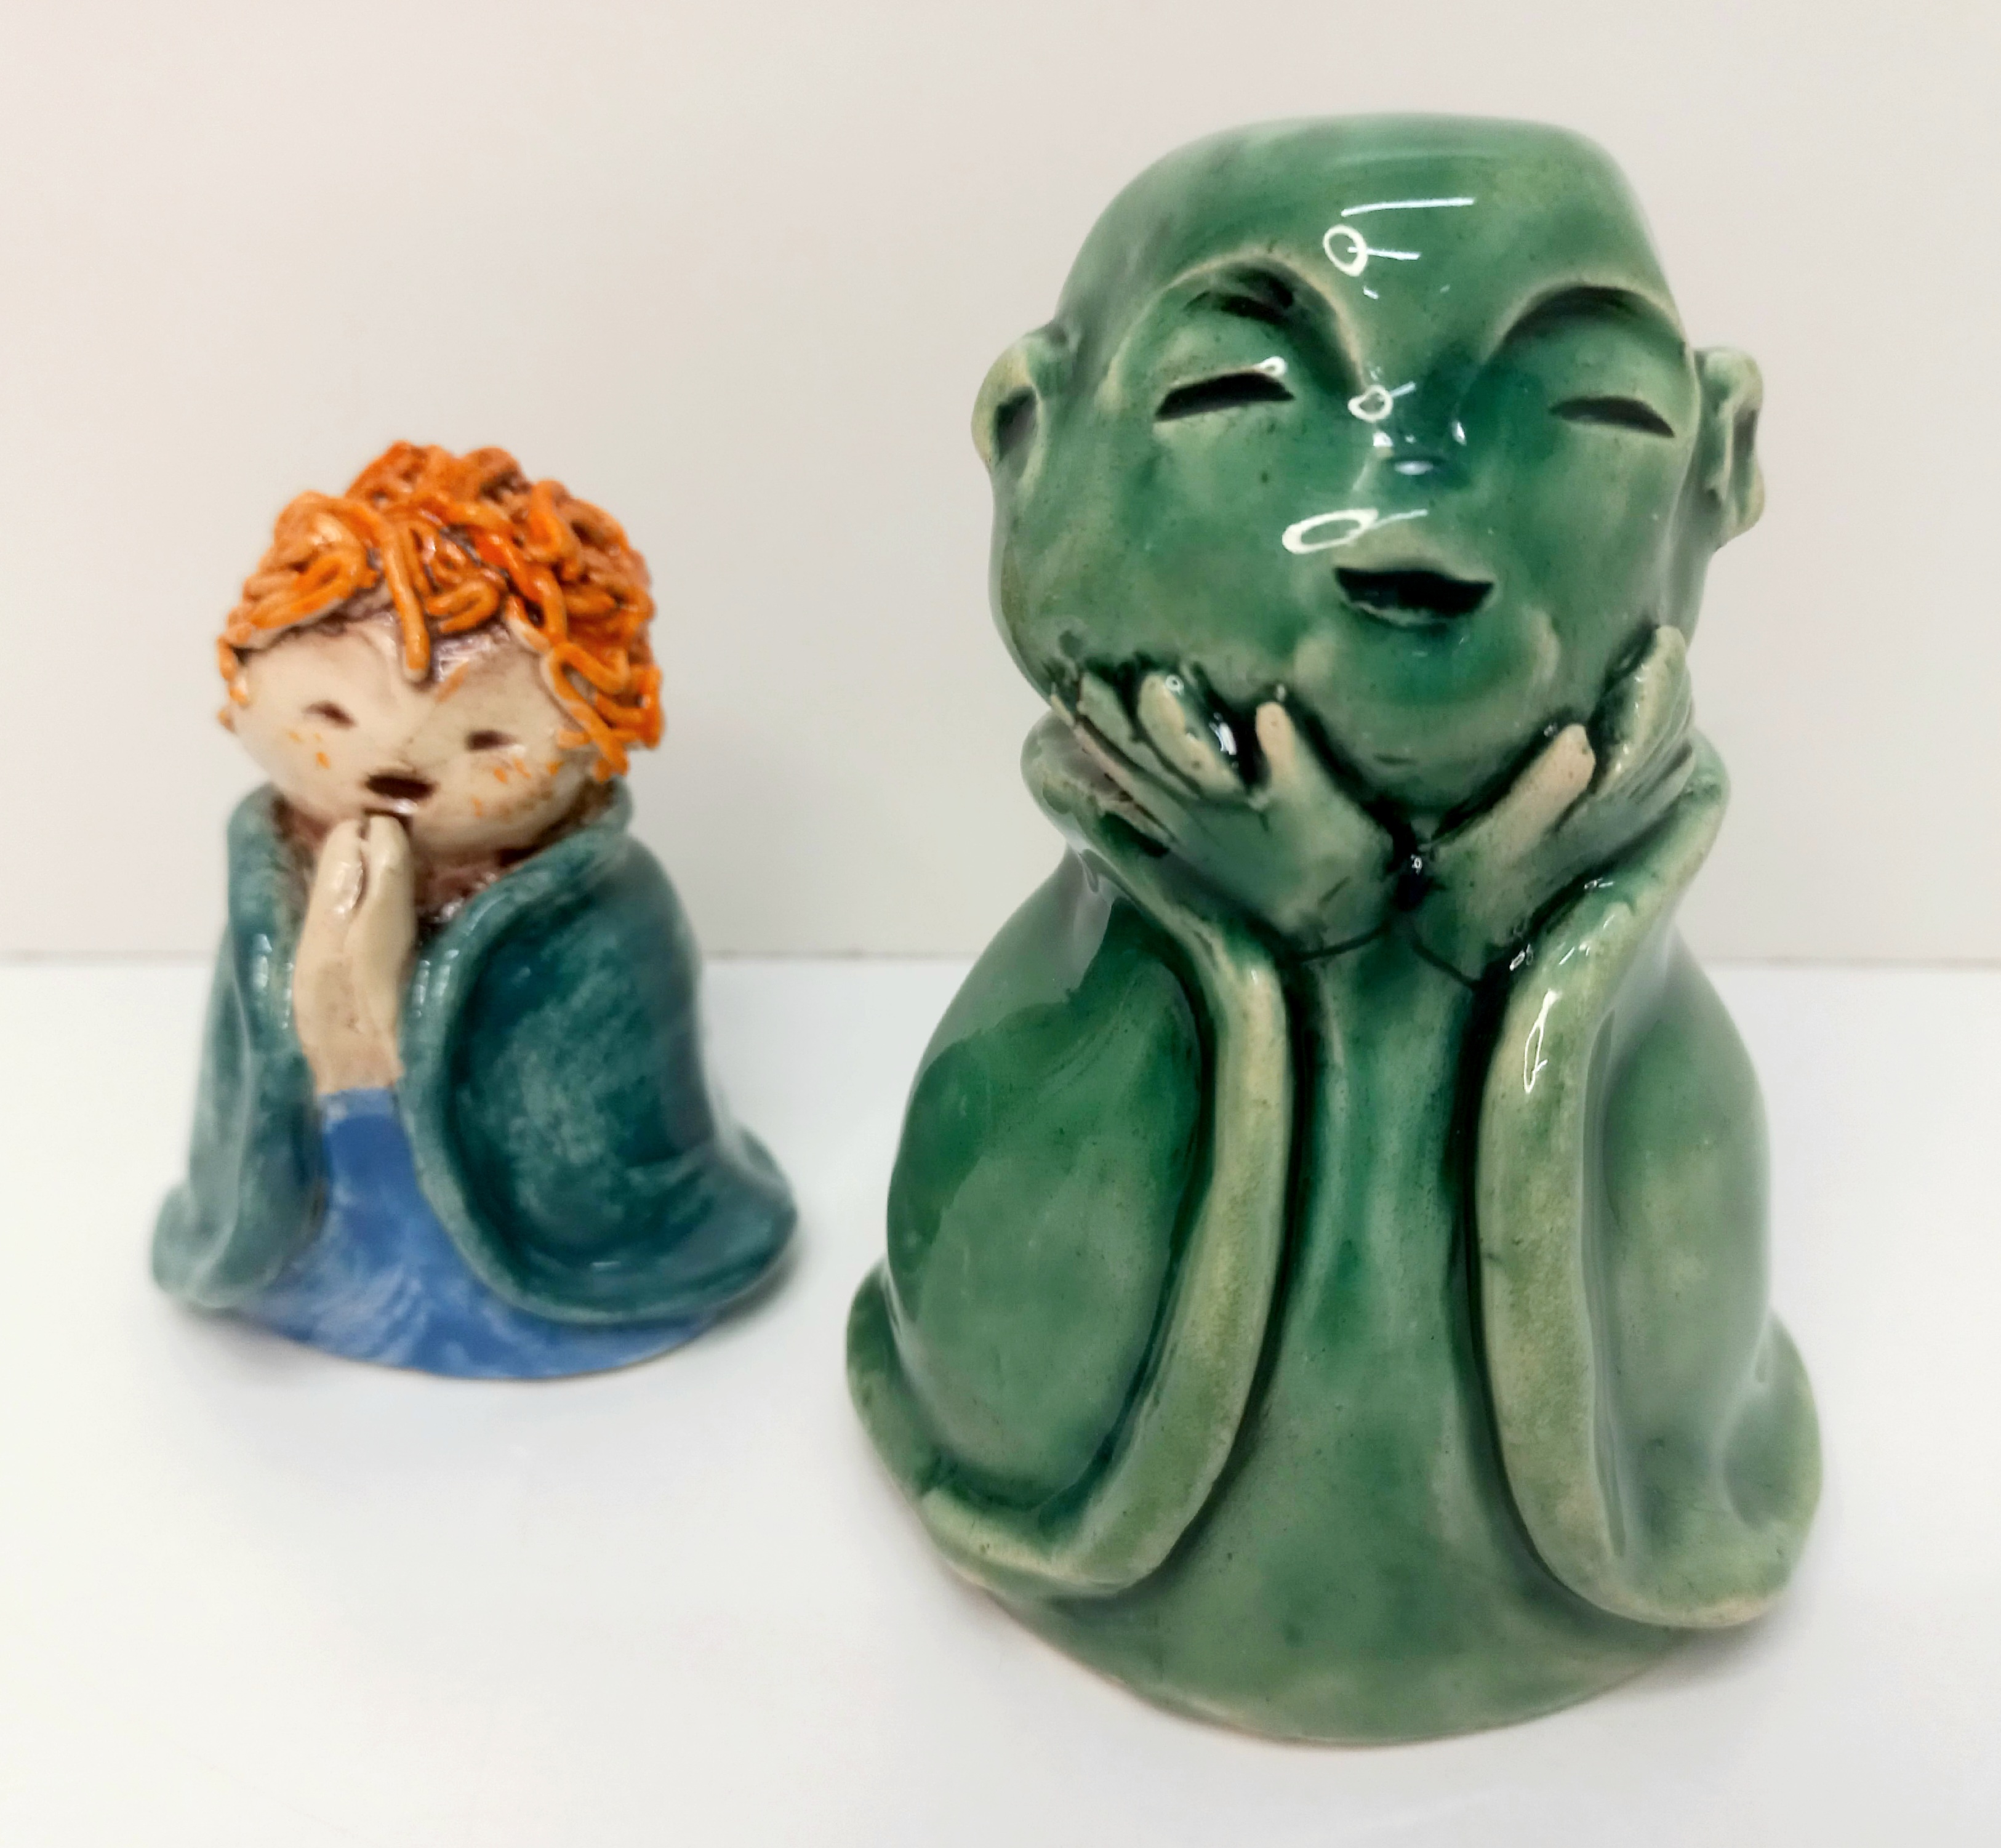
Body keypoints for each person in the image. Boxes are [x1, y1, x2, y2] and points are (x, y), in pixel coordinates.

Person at [848, 117, 1819, 1742]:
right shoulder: (1081, 974)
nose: (1412, 523)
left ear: (1717, 468)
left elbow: (1662, 1258)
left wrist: (1528, 928)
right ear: (1034, 451)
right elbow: (1009, 1249)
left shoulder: (1656, 1034)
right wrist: (1240, 926)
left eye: (1596, 408)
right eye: (1236, 395)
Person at [157, 443, 792, 1378]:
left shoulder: (609, 917)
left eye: (491, 738)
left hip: (541, 1255)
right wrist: (317, 1025)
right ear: (247, 691)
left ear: (593, 745)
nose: (399, 768)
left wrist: (404, 1021)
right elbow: (240, 1095)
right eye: (330, 716)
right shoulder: (268, 888)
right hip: (316, 1238)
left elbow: (612, 1147)